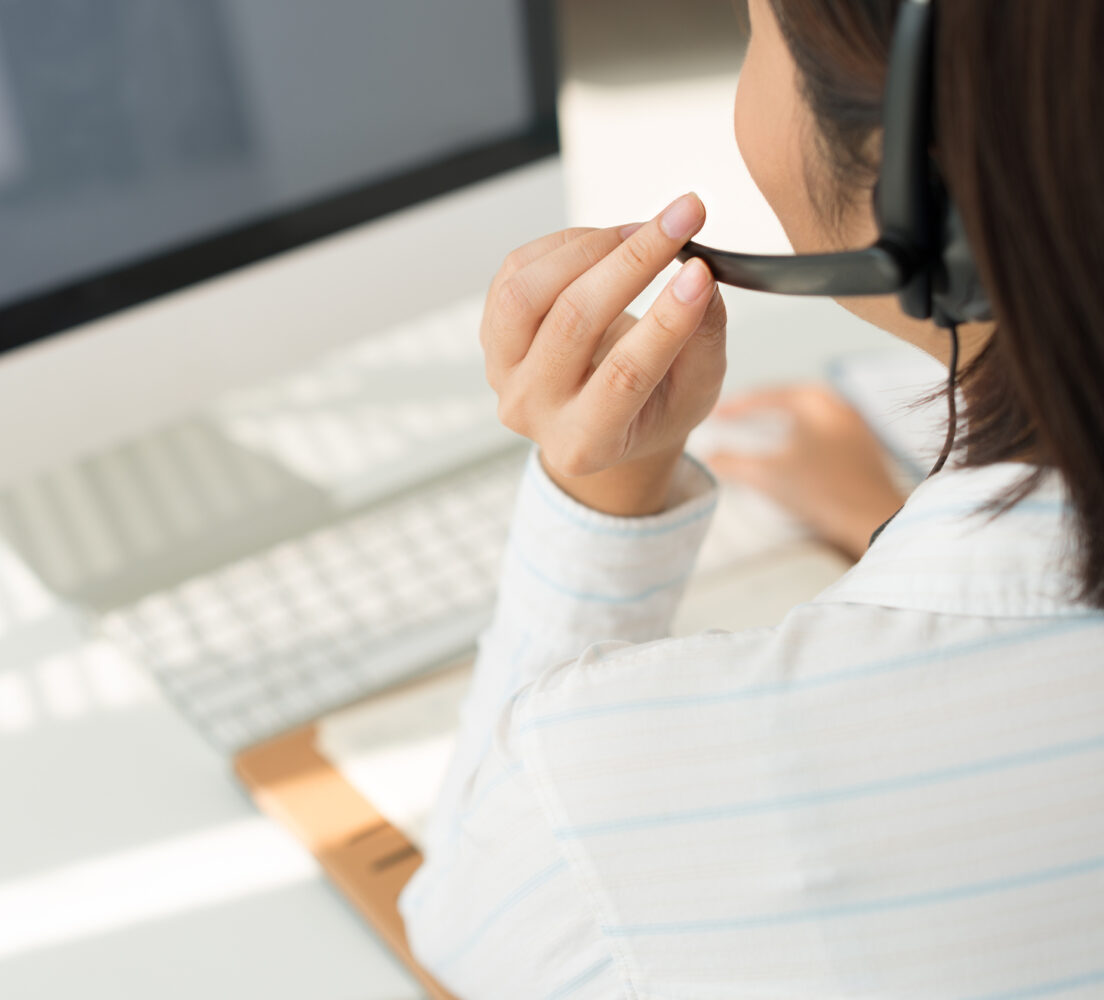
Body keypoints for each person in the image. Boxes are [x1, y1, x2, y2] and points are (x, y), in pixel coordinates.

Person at [399, 0, 1104, 996]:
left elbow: (466, 925)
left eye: (756, 28)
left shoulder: (652, 787)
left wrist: (600, 487)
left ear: (917, 189)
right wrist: (875, 514)